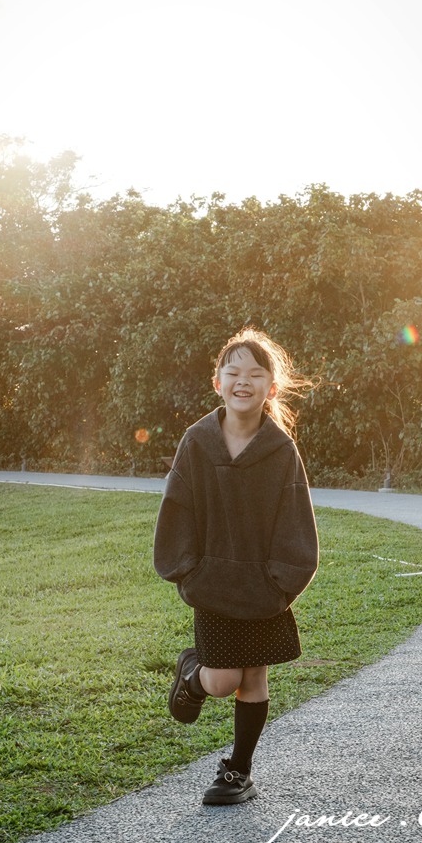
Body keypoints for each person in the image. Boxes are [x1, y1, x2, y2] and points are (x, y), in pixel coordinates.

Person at [153, 326, 319, 806]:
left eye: (255, 373)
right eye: (234, 372)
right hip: (214, 585)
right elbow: (177, 509)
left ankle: (237, 771)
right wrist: (188, 572)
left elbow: (295, 522)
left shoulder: (280, 450)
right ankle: (192, 673)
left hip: (263, 588)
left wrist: (280, 583)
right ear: (218, 382)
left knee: (254, 677)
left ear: (271, 386)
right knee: (223, 681)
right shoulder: (197, 441)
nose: (243, 381)